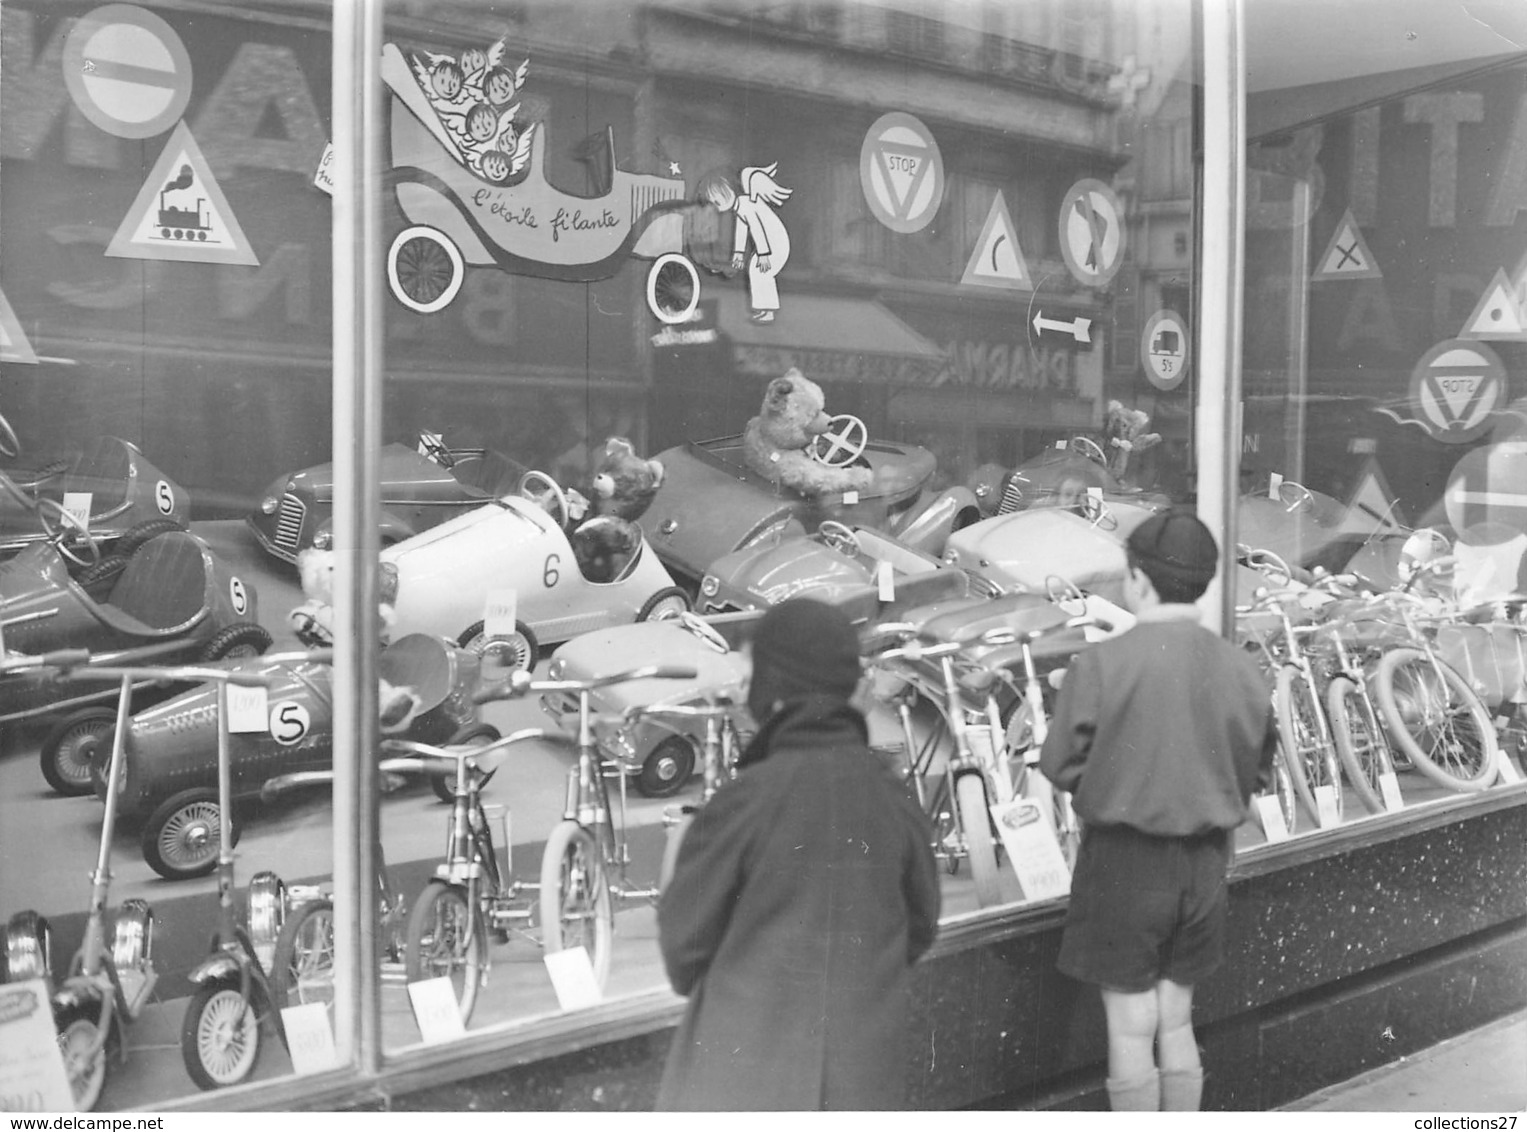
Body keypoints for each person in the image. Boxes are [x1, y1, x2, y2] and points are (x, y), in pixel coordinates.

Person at [655, 598, 941, 1110]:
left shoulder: (742, 803)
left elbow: (683, 952)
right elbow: (919, 930)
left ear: (774, 687)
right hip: (861, 1086)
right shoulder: (894, 801)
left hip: (738, 1085)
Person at [1039, 507, 1276, 1112]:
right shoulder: (1242, 668)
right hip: (1204, 869)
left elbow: (1061, 762)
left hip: (1122, 865)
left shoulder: (1101, 664)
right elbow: (1257, 763)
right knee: (1176, 1024)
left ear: (1137, 579)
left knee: (1130, 1028)